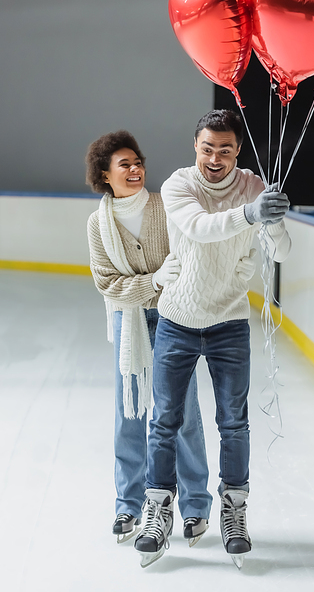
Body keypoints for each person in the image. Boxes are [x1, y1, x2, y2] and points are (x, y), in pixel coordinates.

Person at [135, 109, 291, 568]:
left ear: (237, 151)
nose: (215, 158)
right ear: (195, 147)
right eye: (208, 148)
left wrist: (275, 219)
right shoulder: (179, 185)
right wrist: (249, 214)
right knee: (164, 421)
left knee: (234, 423)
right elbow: (200, 230)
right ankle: (159, 508)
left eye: (225, 149)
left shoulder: (254, 187)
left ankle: (234, 510)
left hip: (228, 325)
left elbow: (280, 252)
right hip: (178, 322)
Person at [85, 130, 213, 546]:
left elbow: (189, 254)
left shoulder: (164, 206)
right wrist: (151, 282)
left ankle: (195, 504)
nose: (136, 169)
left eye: (138, 162)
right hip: (131, 324)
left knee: (183, 411)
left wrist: (167, 287)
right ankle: (129, 503)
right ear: (105, 175)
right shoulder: (98, 224)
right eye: (125, 165)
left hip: (176, 317)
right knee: (131, 411)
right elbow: (107, 282)